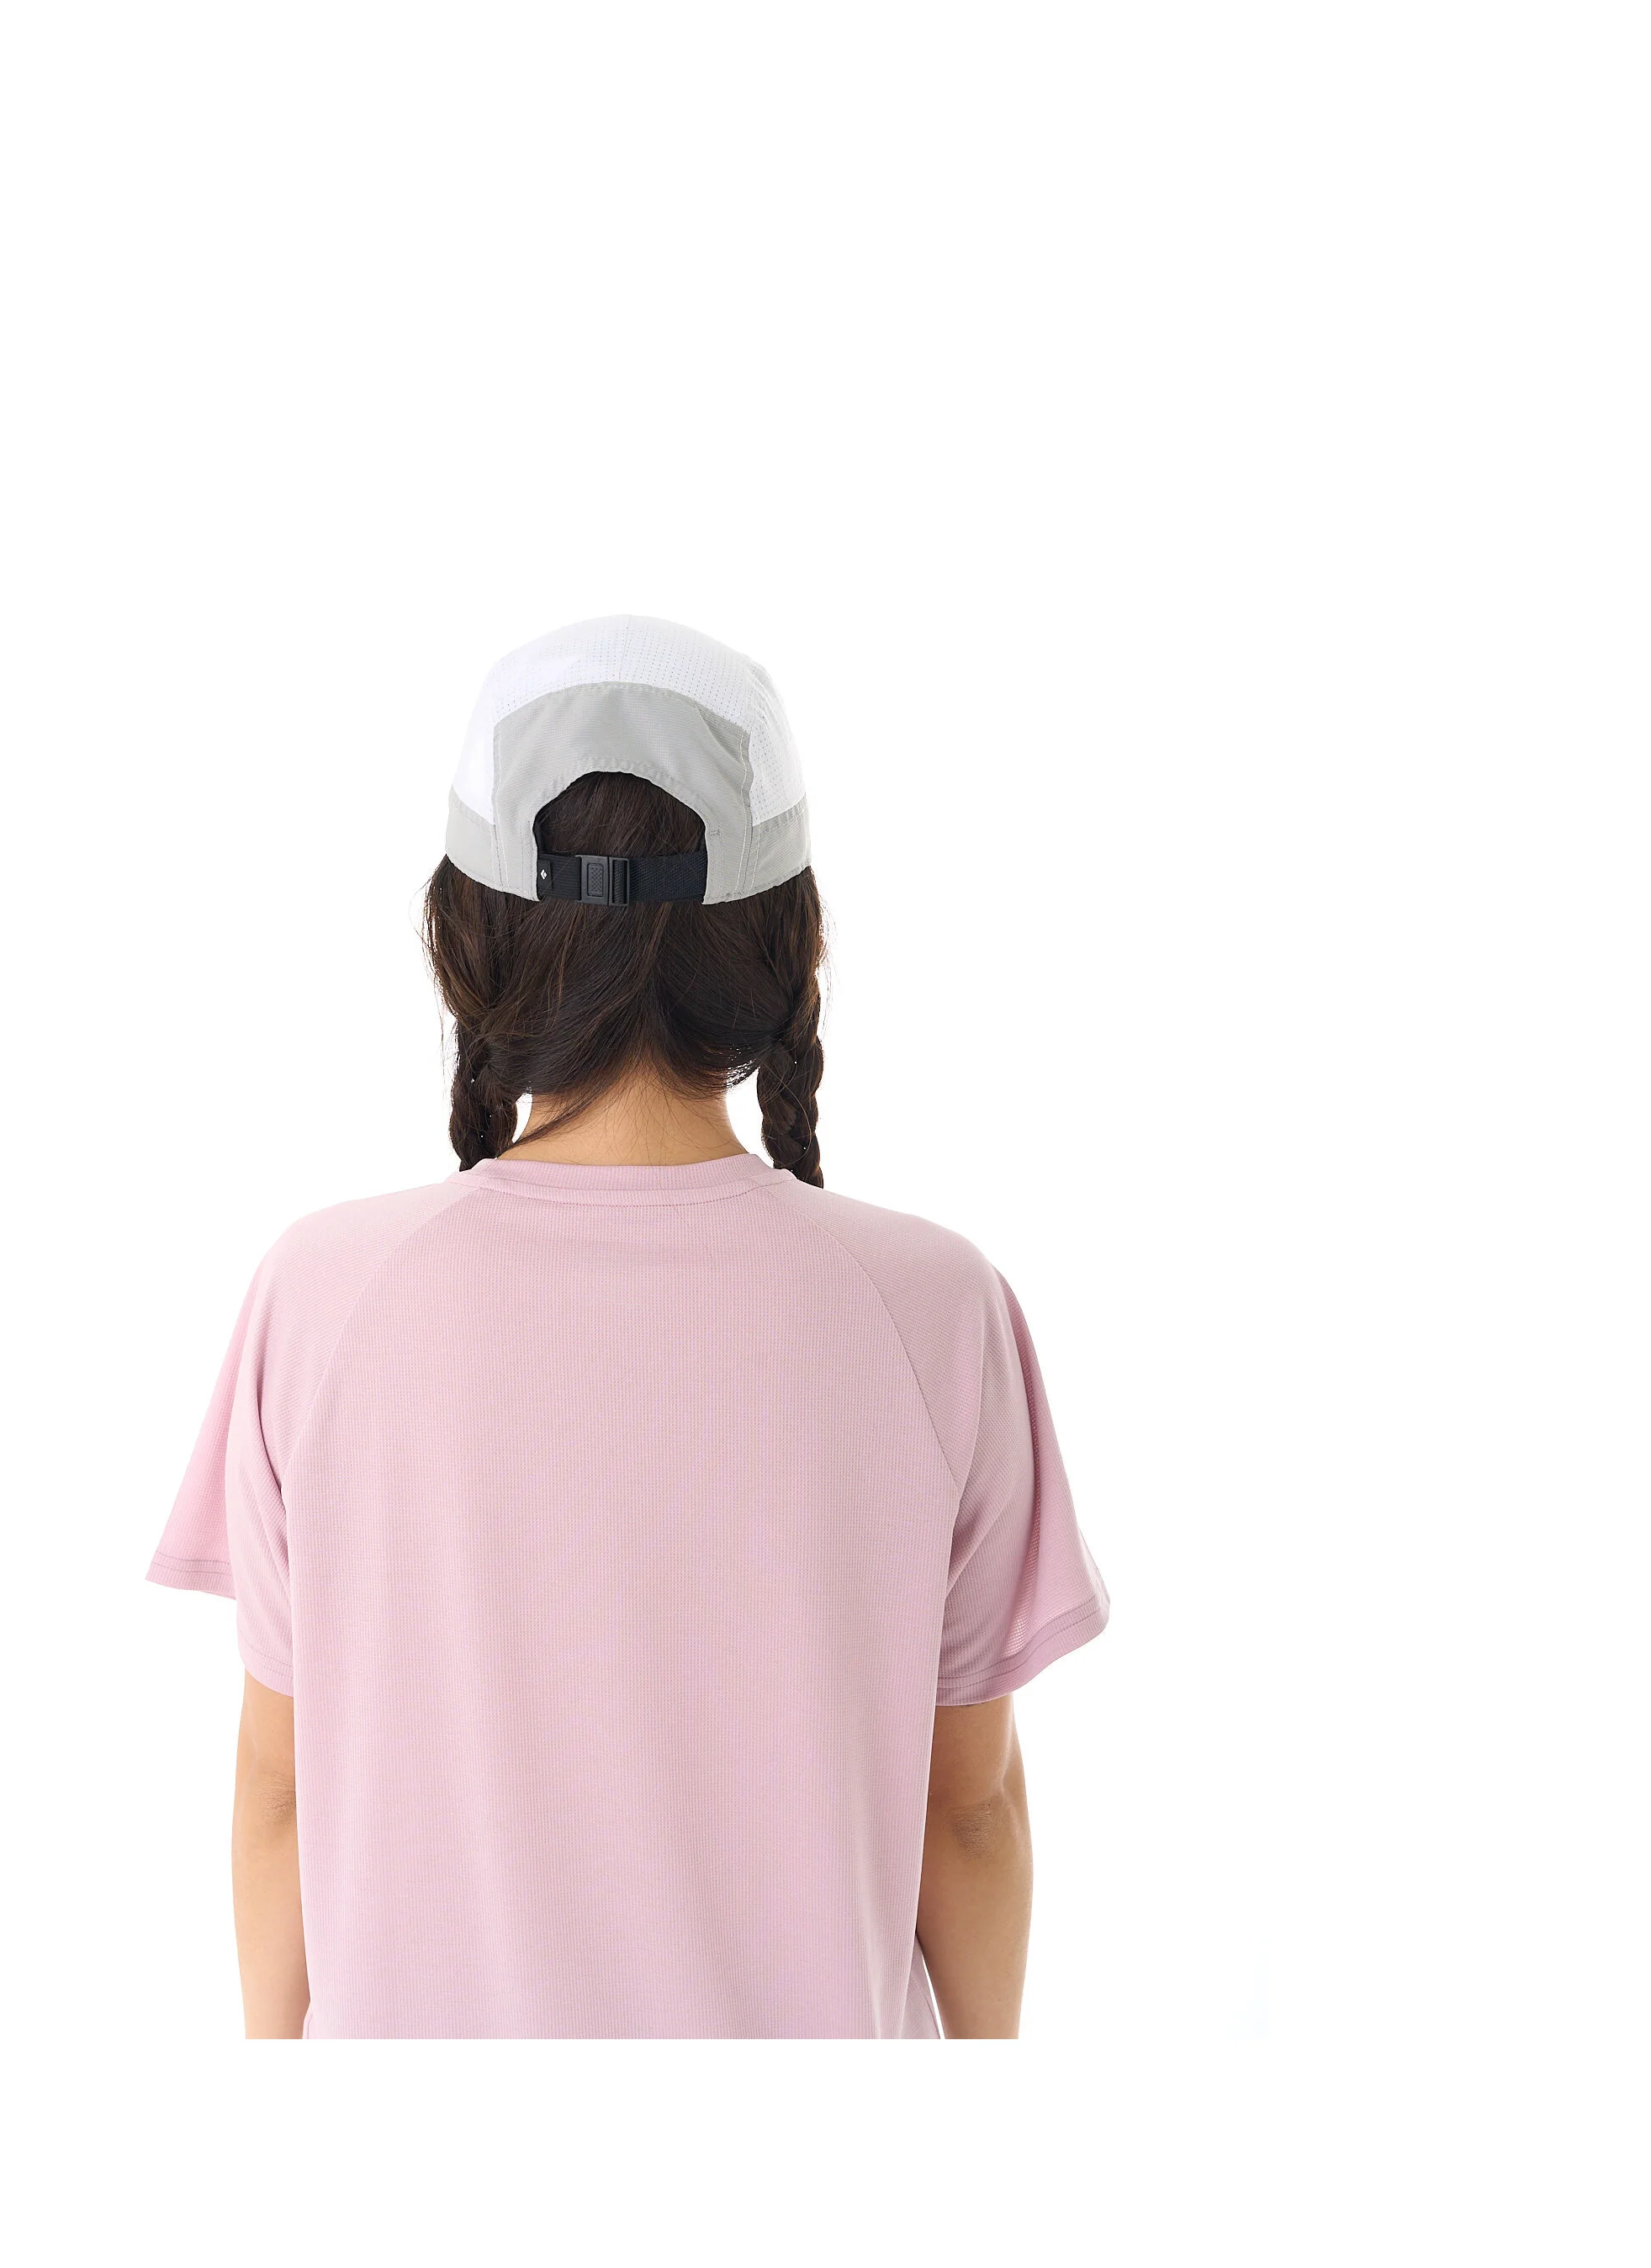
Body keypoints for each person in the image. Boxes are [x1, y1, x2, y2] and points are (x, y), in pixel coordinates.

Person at [149, 615, 1110, 2037]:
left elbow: (282, 1789)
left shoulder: (323, 1296)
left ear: (464, 934)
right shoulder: (934, 1310)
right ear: (790, 937)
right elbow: (966, 1815)